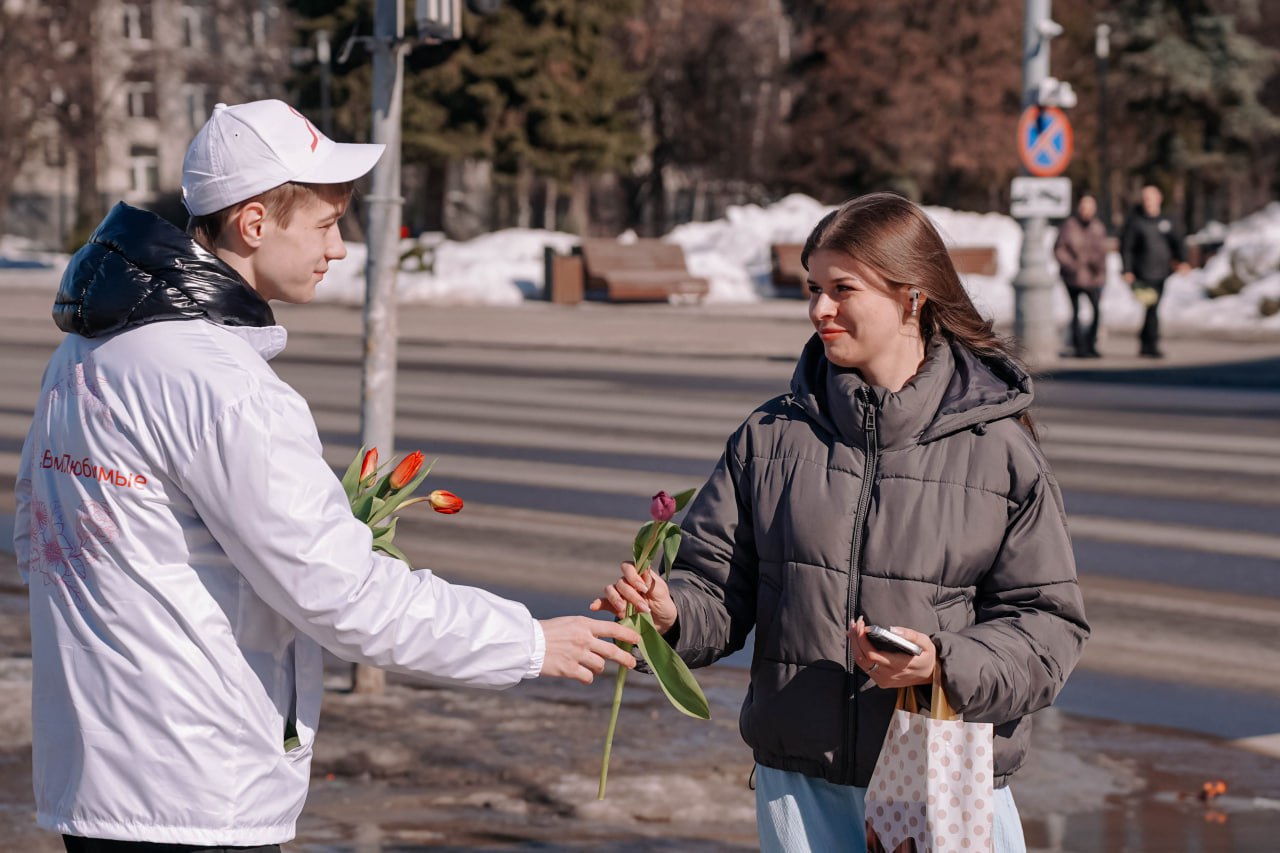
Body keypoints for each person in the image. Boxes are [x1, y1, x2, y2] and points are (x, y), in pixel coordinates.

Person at [13, 99, 640, 852]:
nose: (339, 248)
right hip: (196, 784)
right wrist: (528, 641)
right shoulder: (221, 385)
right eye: (324, 223)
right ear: (252, 223)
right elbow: (341, 593)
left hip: (99, 774)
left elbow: (36, 534)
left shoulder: (88, 352)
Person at [593, 193, 1089, 852]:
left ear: (912, 295)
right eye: (813, 288)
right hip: (802, 788)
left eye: (842, 288)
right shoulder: (770, 437)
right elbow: (717, 590)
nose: (819, 309)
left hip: (942, 784)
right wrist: (669, 613)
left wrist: (944, 663)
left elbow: (1049, 625)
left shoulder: (997, 448)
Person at [1120, 184, 1190, 358]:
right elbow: (1127, 248)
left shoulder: (1166, 221)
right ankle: (1150, 343)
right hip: (1143, 272)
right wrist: (1127, 270)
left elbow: (1177, 242)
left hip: (1162, 272)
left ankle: (1146, 341)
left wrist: (1182, 261)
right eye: (1145, 199)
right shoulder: (1136, 222)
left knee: (1152, 308)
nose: (1148, 203)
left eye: (1151, 199)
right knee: (1152, 307)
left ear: (1159, 199)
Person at [1053, 193, 1108, 358]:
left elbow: (1102, 255)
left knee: (1096, 310)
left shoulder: (1098, 228)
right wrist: (1072, 265)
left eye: (1089, 208)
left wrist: (1102, 276)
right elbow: (1059, 249)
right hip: (1073, 277)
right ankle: (1079, 346)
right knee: (1075, 310)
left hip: (1093, 277)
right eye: (1083, 207)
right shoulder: (1069, 226)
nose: (1086, 211)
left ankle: (1091, 343)